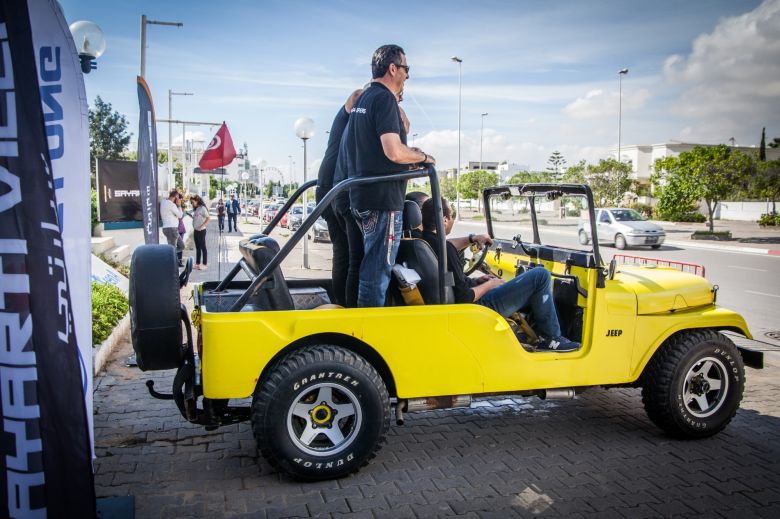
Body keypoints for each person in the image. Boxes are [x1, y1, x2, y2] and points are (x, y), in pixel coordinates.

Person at [420, 197, 580, 352]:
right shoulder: (445, 250)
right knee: (540, 276)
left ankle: (545, 336)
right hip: (475, 308)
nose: (454, 219)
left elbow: (451, 281)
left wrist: (477, 280)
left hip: (456, 307)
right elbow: (463, 296)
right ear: (444, 220)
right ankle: (551, 338)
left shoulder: (423, 242)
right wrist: (489, 284)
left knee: (528, 281)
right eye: (452, 215)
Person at [345, 44, 436, 307]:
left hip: (362, 197)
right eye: (406, 69)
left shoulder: (363, 99)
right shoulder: (384, 98)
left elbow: (375, 153)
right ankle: (369, 332)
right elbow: (394, 152)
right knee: (377, 273)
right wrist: (422, 157)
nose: (408, 75)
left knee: (369, 268)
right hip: (382, 202)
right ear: (393, 68)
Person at [315, 88, 364, 307]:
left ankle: (341, 303)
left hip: (328, 189)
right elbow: (357, 94)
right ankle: (349, 308)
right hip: (338, 190)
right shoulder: (351, 116)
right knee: (356, 257)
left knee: (342, 253)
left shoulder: (347, 123)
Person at [160, 189, 185, 267]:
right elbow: (180, 215)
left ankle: (173, 259)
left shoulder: (163, 202)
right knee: (173, 249)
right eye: (178, 198)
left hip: (168, 229)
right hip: (172, 229)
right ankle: (171, 264)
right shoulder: (171, 204)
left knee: (181, 246)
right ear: (176, 197)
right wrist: (179, 206)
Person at [190, 195, 211, 270]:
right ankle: (197, 263)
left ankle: (204, 264)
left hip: (201, 231)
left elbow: (208, 218)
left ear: (197, 201)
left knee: (203, 248)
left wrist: (202, 226)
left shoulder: (202, 208)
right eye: (191, 202)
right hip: (196, 230)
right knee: (198, 248)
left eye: (193, 202)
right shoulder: (197, 208)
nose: (192, 203)